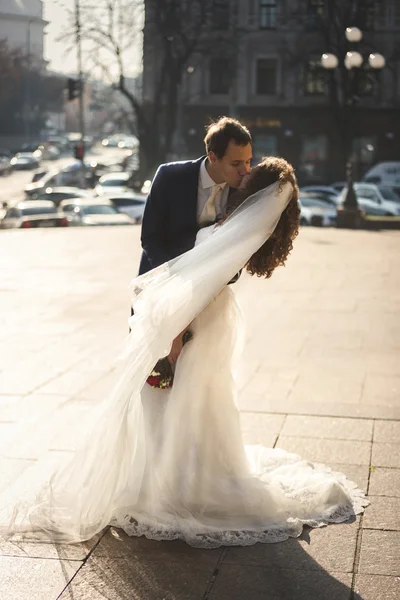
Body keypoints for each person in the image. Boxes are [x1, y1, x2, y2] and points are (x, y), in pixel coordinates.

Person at [0, 157, 368, 547]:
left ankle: (176, 481)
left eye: (249, 170)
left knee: (183, 397)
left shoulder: (239, 224)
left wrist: (175, 332)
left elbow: (205, 277)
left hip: (197, 316)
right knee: (198, 399)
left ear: (257, 187)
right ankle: (180, 472)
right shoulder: (243, 220)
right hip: (207, 315)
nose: (243, 172)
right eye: (240, 165)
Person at [138, 116, 252, 359]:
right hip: (160, 292)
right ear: (213, 157)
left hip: (210, 302)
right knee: (153, 373)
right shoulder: (169, 177)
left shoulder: (245, 191)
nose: (245, 171)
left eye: (248, 161)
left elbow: (241, 247)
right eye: (236, 164)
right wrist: (176, 285)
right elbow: (150, 237)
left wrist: (219, 280)